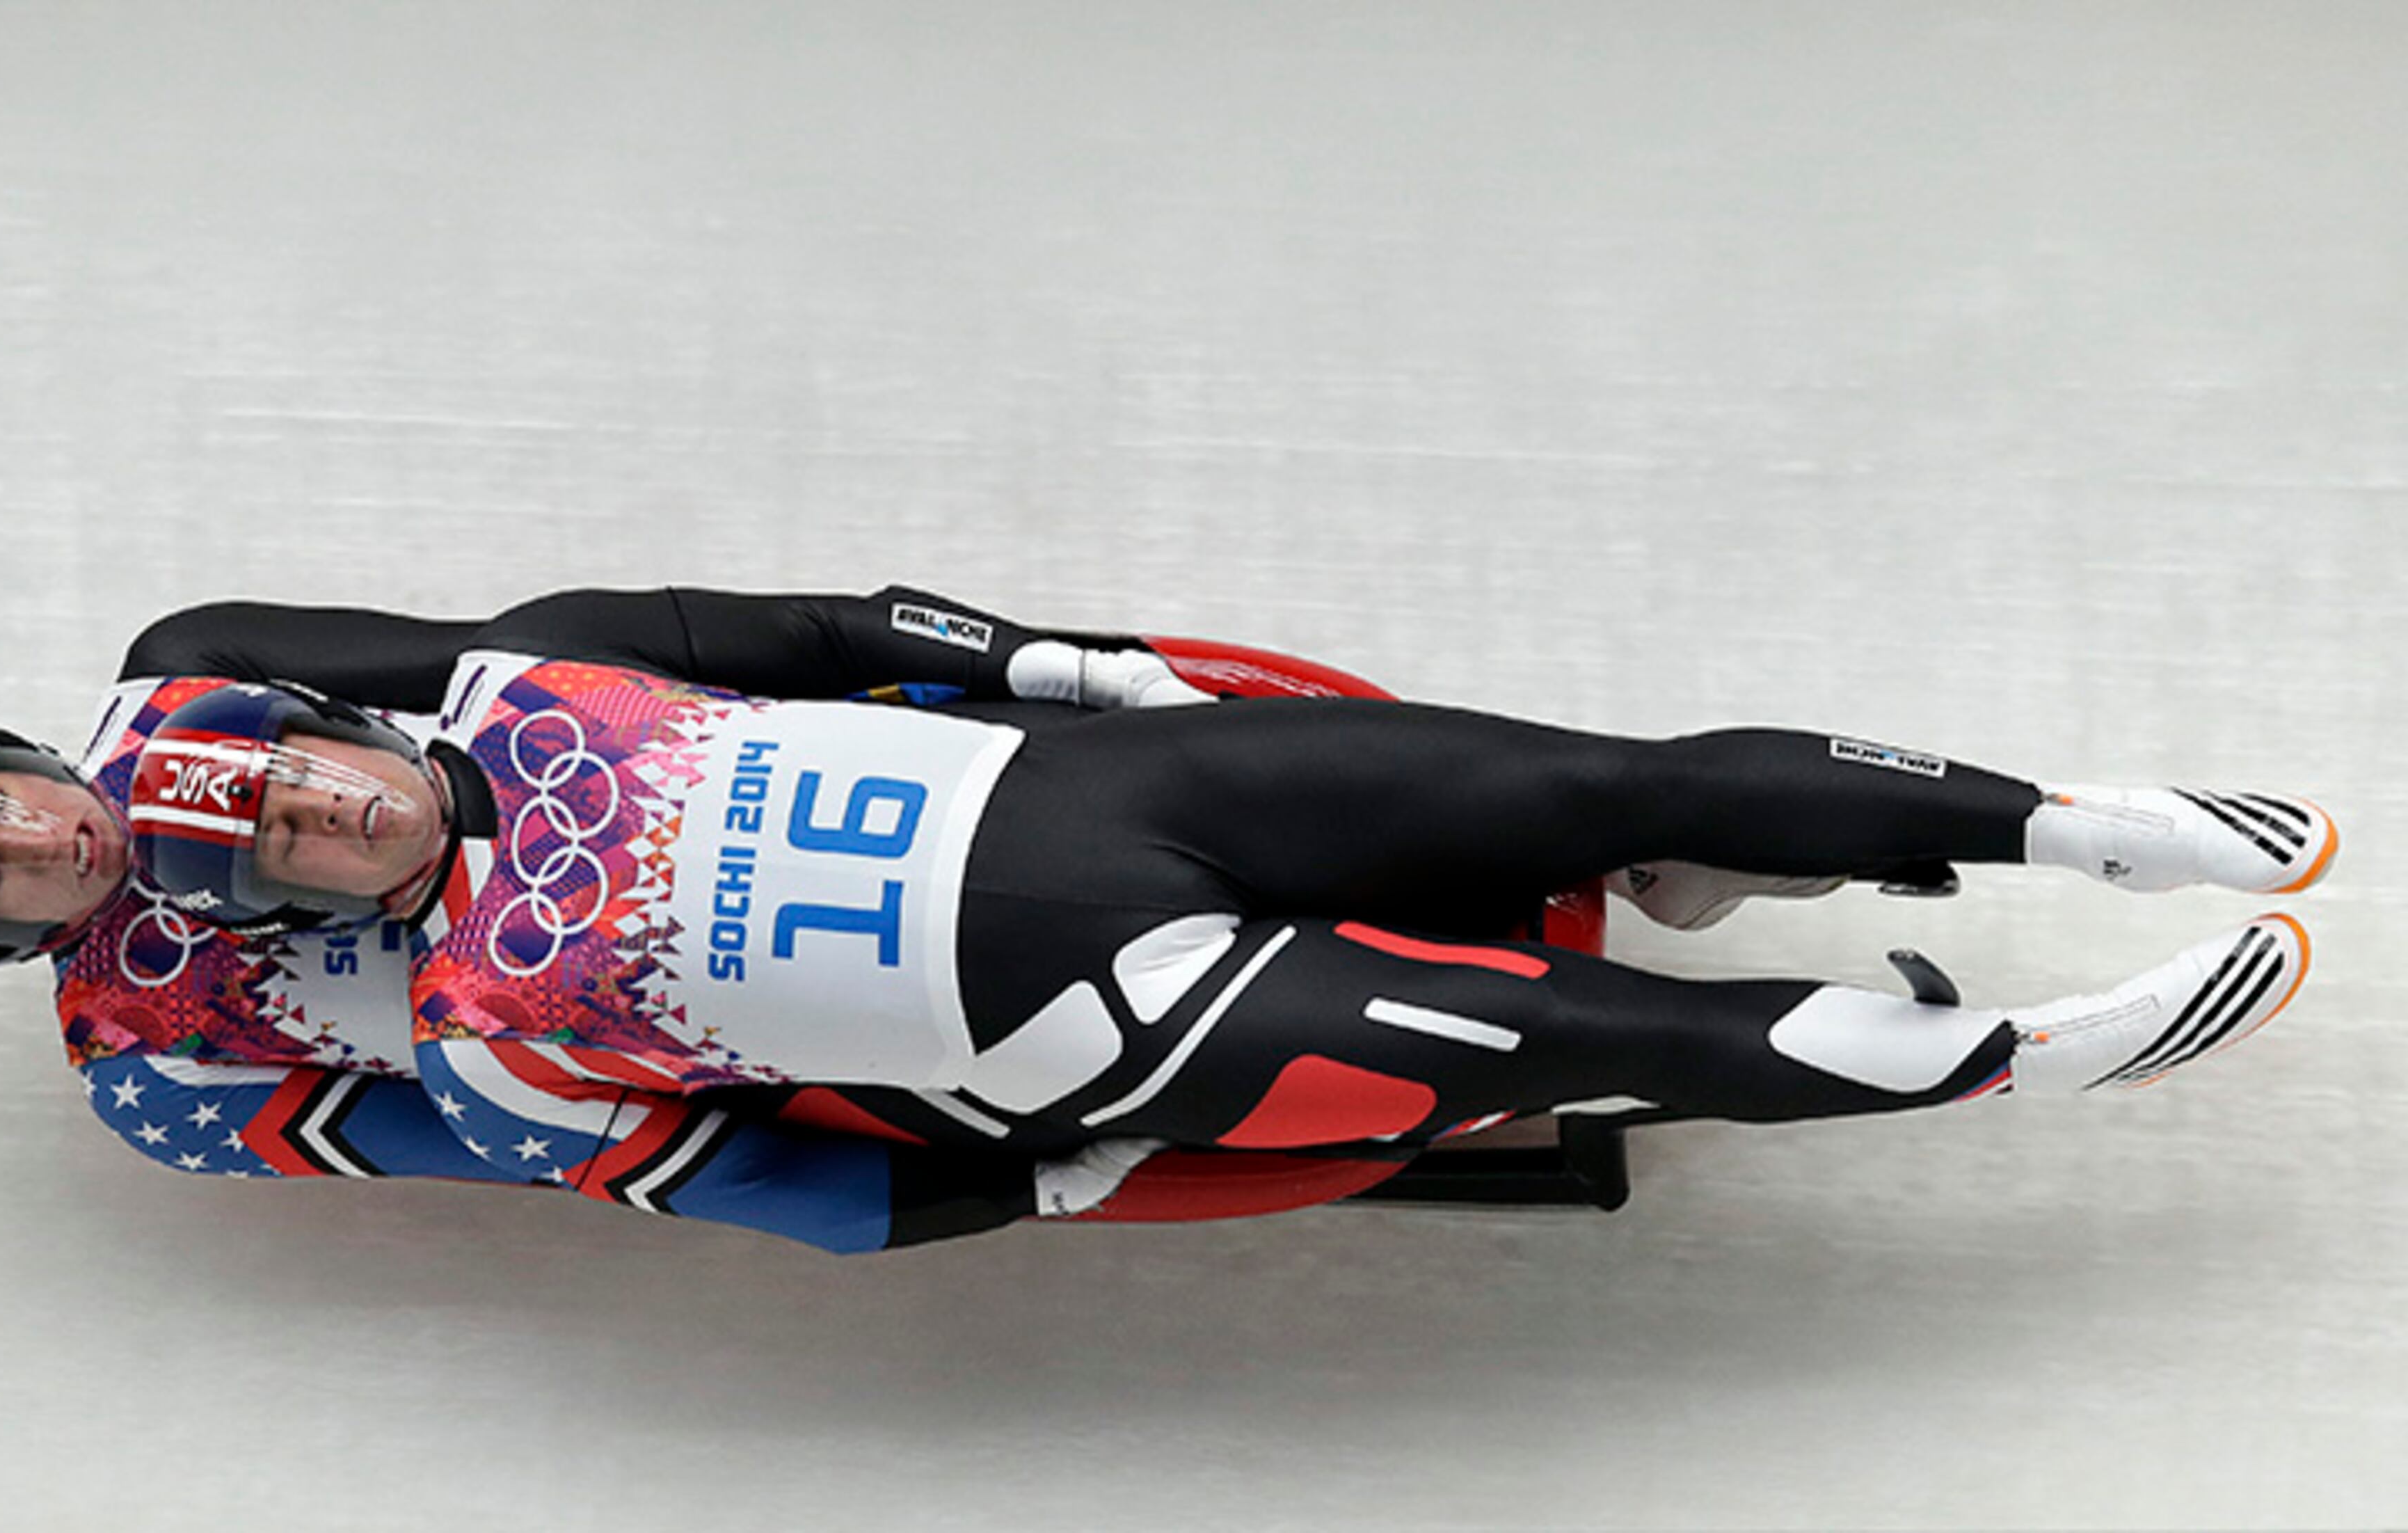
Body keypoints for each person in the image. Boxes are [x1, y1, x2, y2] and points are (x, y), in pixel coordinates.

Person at [118, 589, 2334, 1246]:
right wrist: (1066, 1180)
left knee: (1594, 776)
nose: (331, 810)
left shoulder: (534, 671)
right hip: (1112, 1008)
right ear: (293, 889)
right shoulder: (492, 1040)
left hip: (1127, 786)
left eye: (312, 766)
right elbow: (784, 1191)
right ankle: (2047, 1052)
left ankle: (2082, 820)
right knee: (1591, 1035)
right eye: (294, 840)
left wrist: (1077, 665)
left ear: (341, 720)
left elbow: (800, 618)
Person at [0, 589, 1309, 1248]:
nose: (44, 842)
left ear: (19, 752)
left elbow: (495, 663)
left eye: (3, 801)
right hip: (698, 1017)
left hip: (716, 818)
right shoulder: (154, 1075)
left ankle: (1082, 708)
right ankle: (1033, 1170)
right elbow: (523, 1152)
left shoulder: (193, 672)